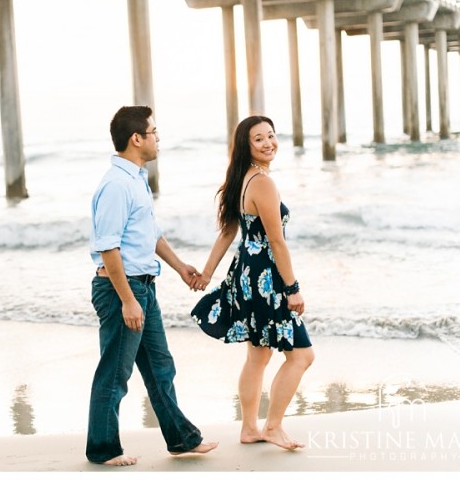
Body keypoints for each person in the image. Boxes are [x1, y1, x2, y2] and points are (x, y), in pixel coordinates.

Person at [86, 105, 218, 466]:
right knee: (115, 373)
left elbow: (149, 234)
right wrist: (128, 301)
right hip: (121, 290)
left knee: (161, 367)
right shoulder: (116, 185)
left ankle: (181, 440)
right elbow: (108, 247)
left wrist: (179, 267)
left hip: (143, 286)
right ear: (136, 139)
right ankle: (103, 449)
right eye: (154, 132)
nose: (158, 138)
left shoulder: (136, 178)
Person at [189, 115, 314, 451]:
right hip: (266, 279)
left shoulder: (242, 178)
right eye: (259, 138)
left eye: (271, 136)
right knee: (302, 356)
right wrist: (292, 288)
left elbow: (229, 232)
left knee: (258, 357)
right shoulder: (262, 182)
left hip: (246, 274)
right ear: (247, 145)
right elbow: (277, 241)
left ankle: (249, 428)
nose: (268, 143)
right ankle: (272, 427)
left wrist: (207, 274)